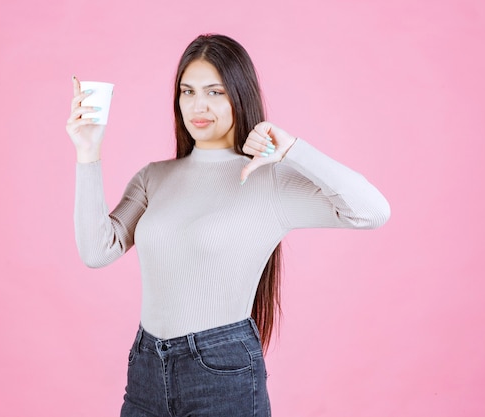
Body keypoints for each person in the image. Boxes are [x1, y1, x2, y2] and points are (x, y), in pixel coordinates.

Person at [66, 34, 390, 417]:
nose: (198, 106)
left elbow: (371, 211)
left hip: (220, 371)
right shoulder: (153, 177)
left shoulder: (269, 180)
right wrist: (88, 152)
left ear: (239, 94)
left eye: (214, 92)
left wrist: (294, 150)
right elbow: (96, 251)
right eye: (187, 91)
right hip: (147, 366)